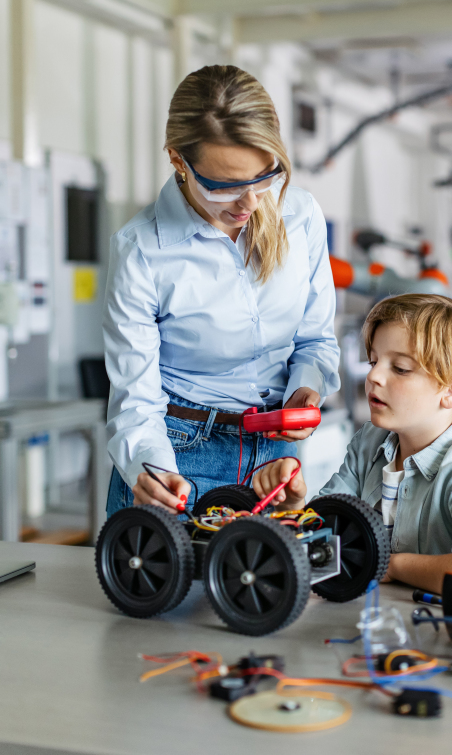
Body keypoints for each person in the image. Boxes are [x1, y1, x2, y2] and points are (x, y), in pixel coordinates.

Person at [103, 65, 340, 517]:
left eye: (264, 177)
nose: (249, 203)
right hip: (177, 455)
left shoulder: (302, 215)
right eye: (224, 186)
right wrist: (151, 470)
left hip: (273, 461)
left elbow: (316, 340)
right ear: (178, 160)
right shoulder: (141, 250)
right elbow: (136, 398)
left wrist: (305, 387)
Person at [253, 294, 452, 593]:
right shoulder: (369, 443)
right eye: (373, 361)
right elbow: (324, 542)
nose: (373, 375)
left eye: (400, 368)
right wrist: (293, 503)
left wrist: (386, 564)